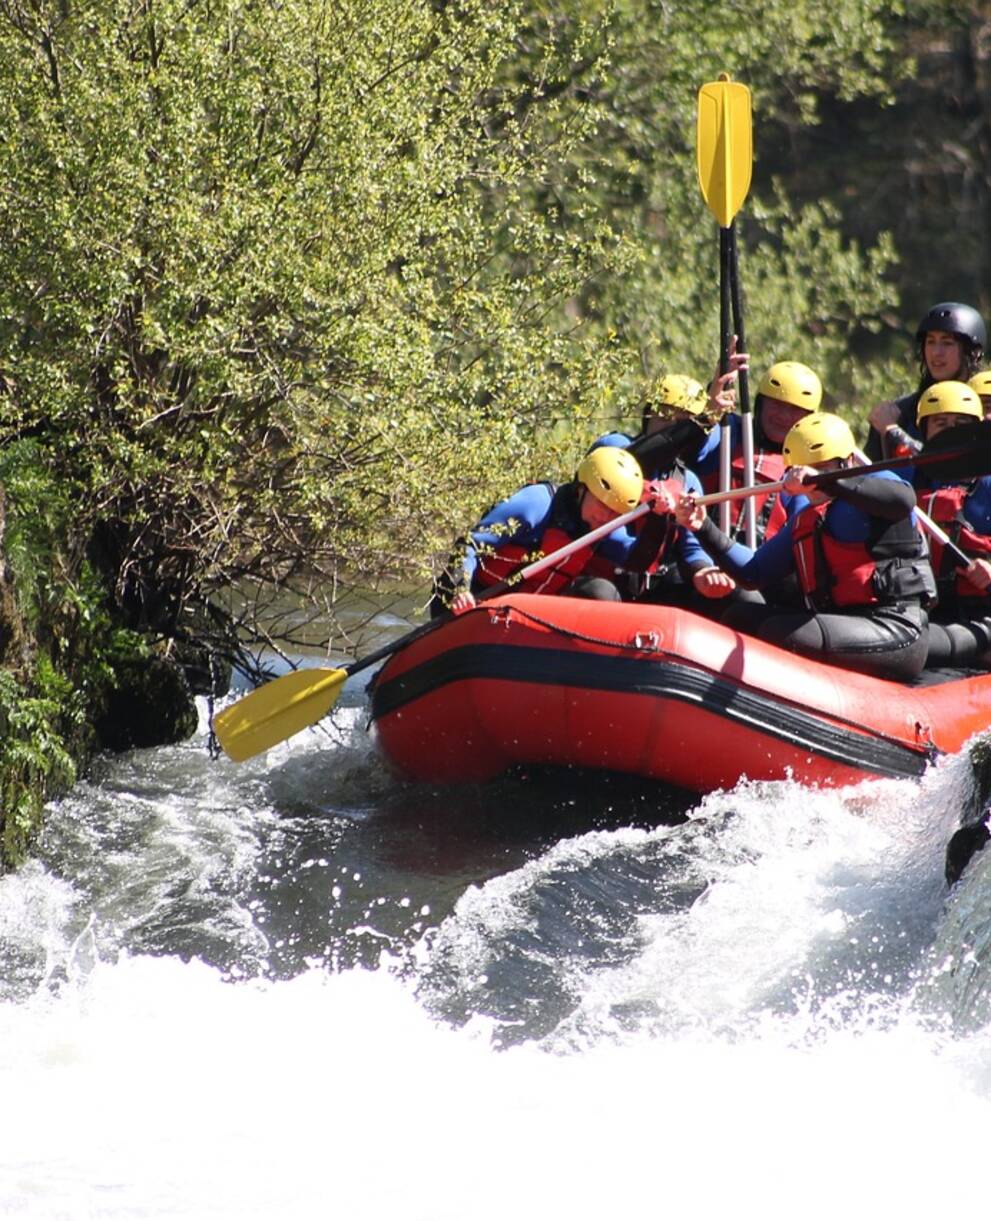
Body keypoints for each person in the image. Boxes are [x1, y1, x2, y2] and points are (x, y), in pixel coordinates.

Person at [674, 412, 937, 681]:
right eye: (804, 470)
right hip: (841, 624)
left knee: (781, 631)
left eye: (822, 467)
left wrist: (827, 480)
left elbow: (902, 500)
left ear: (846, 462)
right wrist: (702, 526)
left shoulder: (878, 484)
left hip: (896, 627)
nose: (812, 480)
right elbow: (752, 572)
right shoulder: (808, 518)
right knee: (739, 616)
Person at [433, 446, 680, 615]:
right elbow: (470, 545)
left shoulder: (600, 528)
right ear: (581, 489)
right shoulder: (535, 505)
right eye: (602, 506)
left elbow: (637, 562)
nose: (607, 518)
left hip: (529, 613)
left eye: (615, 513)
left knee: (601, 592)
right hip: (475, 602)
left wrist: (659, 519)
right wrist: (460, 589)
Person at [590, 371, 741, 605]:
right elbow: (637, 460)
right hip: (601, 576)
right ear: (648, 416)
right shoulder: (614, 446)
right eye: (664, 417)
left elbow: (692, 547)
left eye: (681, 422)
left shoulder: (688, 481)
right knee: (601, 592)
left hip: (652, 583)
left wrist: (702, 571)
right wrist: (704, 419)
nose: (669, 428)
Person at [690, 360, 823, 543]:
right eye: (776, 404)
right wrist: (711, 409)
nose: (784, 416)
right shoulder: (730, 430)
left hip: (759, 564)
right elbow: (696, 448)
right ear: (760, 404)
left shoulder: (808, 464)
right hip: (703, 555)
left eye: (795, 410)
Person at [908, 381, 991, 668]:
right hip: (918, 611)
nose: (951, 431)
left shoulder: (988, 484)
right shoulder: (906, 477)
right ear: (925, 431)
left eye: (961, 423)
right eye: (941, 423)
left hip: (978, 617)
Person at [865, 301, 986, 460]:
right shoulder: (903, 412)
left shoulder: (986, 405)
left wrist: (893, 432)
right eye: (931, 342)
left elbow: (954, 465)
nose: (936, 352)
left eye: (947, 343)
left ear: (972, 353)